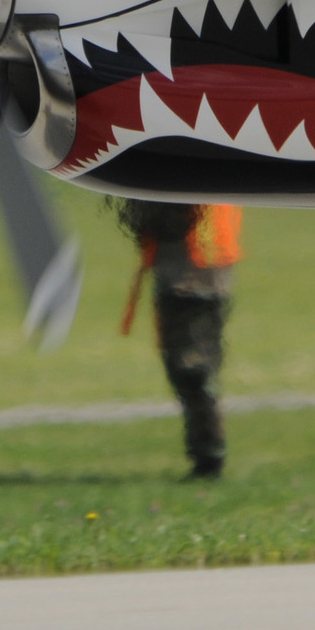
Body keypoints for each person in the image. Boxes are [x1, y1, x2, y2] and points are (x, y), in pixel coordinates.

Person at [117, 199, 242, 479]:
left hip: (188, 268)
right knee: (195, 364)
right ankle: (207, 450)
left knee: (190, 367)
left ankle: (208, 454)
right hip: (209, 261)